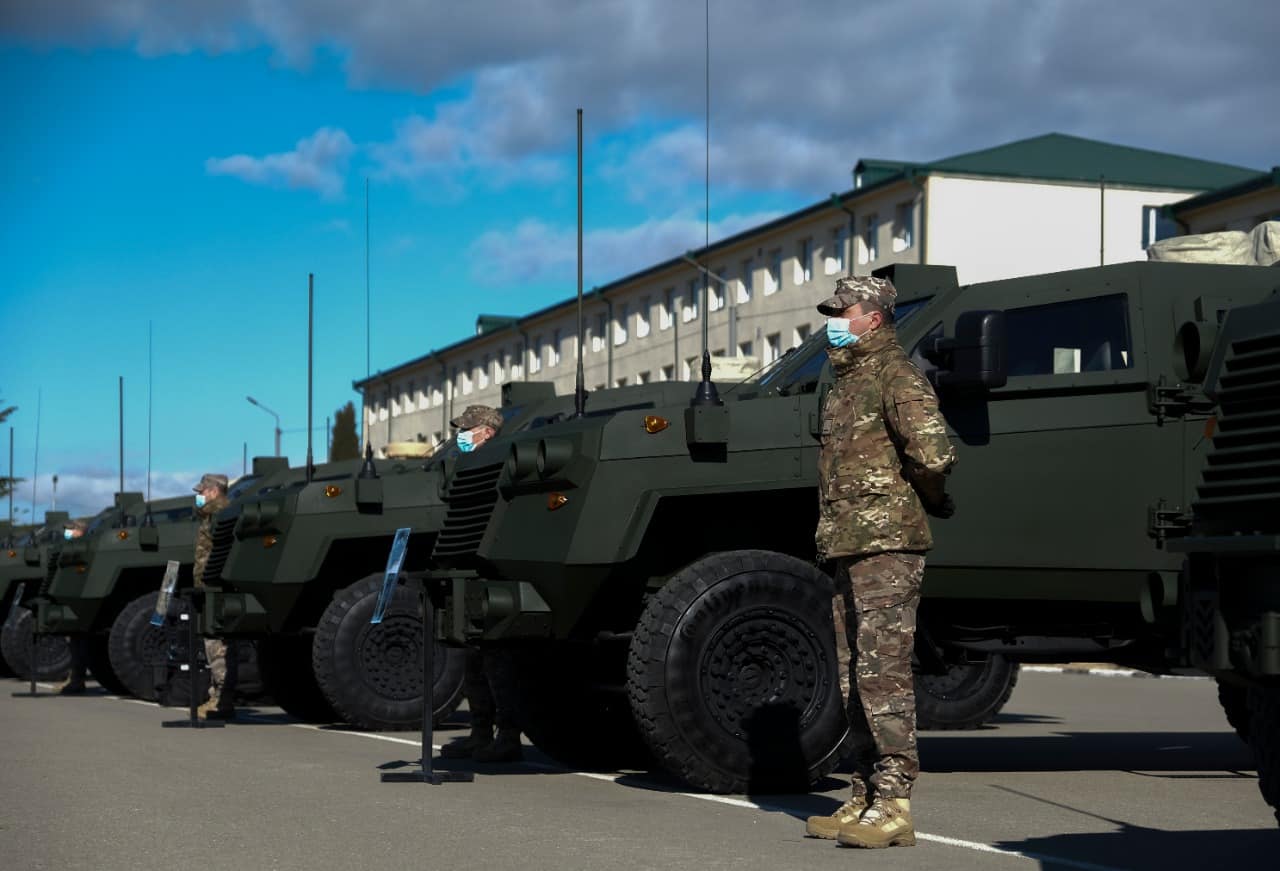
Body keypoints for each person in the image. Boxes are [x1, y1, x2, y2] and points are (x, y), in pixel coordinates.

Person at [803, 276, 956, 849]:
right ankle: (863, 792)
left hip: (888, 545)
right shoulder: (848, 381)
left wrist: (912, 499)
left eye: (841, 311)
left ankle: (894, 803)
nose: (833, 321)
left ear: (873, 317)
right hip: (848, 544)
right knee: (852, 674)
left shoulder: (895, 375)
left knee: (883, 673)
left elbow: (935, 452)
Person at [437, 405, 523, 763]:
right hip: (471, 567)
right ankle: (481, 733)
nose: (460, 436)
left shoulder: (500, 464)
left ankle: (507, 736)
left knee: (496, 661)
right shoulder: (471, 467)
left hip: (495, 571)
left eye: (466, 430)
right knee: (474, 661)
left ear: (487, 432)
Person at [191, 472, 233, 720]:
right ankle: (218, 697)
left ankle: (220, 699)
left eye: (202, 492)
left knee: (216, 643)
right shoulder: (211, 515)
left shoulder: (220, 515)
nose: (199, 496)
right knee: (215, 642)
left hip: (216, 587)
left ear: (214, 491)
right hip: (209, 586)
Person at [55, 519, 90, 695]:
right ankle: (75, 679)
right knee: (75, 643)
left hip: (82, 605)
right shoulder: (75, 547)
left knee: (78, 644)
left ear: (79, 530)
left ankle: (77, 680)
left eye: (70, 530)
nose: (68, 533)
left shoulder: (85, 547)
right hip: (75, 602)